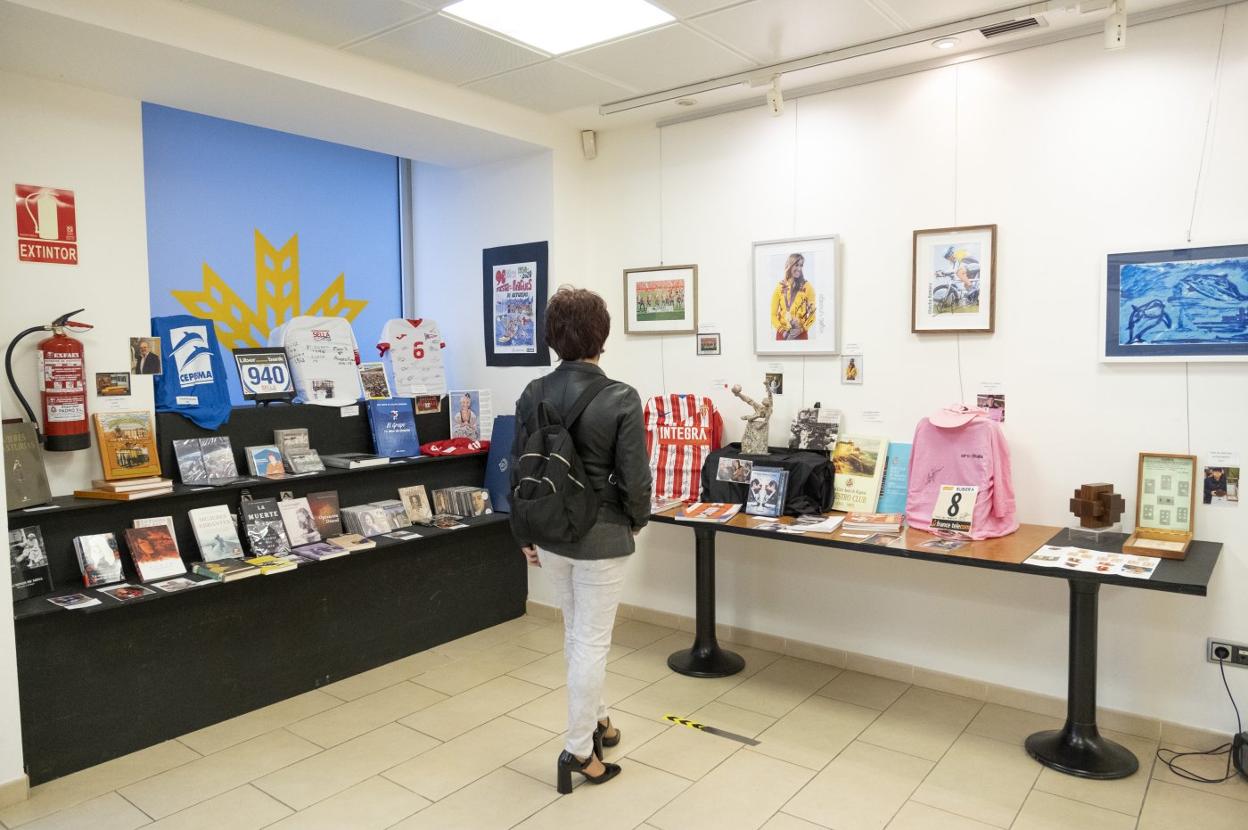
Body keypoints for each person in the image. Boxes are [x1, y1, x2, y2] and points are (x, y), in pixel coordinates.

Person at [511, 286, 651, 794]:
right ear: (602, 336)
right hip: (601, 536)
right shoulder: (620, 397)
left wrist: (523, 532)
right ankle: (578, 750)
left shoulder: (532, 394)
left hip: (549, 533)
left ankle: (601, 720)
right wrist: (637, 519)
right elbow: (635, 478)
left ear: (552, 338)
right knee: (590, 641)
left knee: (577, 635)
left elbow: (518, 470)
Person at [770, 253, 815, 340]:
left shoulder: (807, 286)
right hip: (783, 334)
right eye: (796, 265)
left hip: (800, 334)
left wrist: (802, 329)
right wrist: (783, 332)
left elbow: (813, 314)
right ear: (790, 265)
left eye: (801, 265)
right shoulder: (779, 286)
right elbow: (773, 315)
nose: (799, 268)